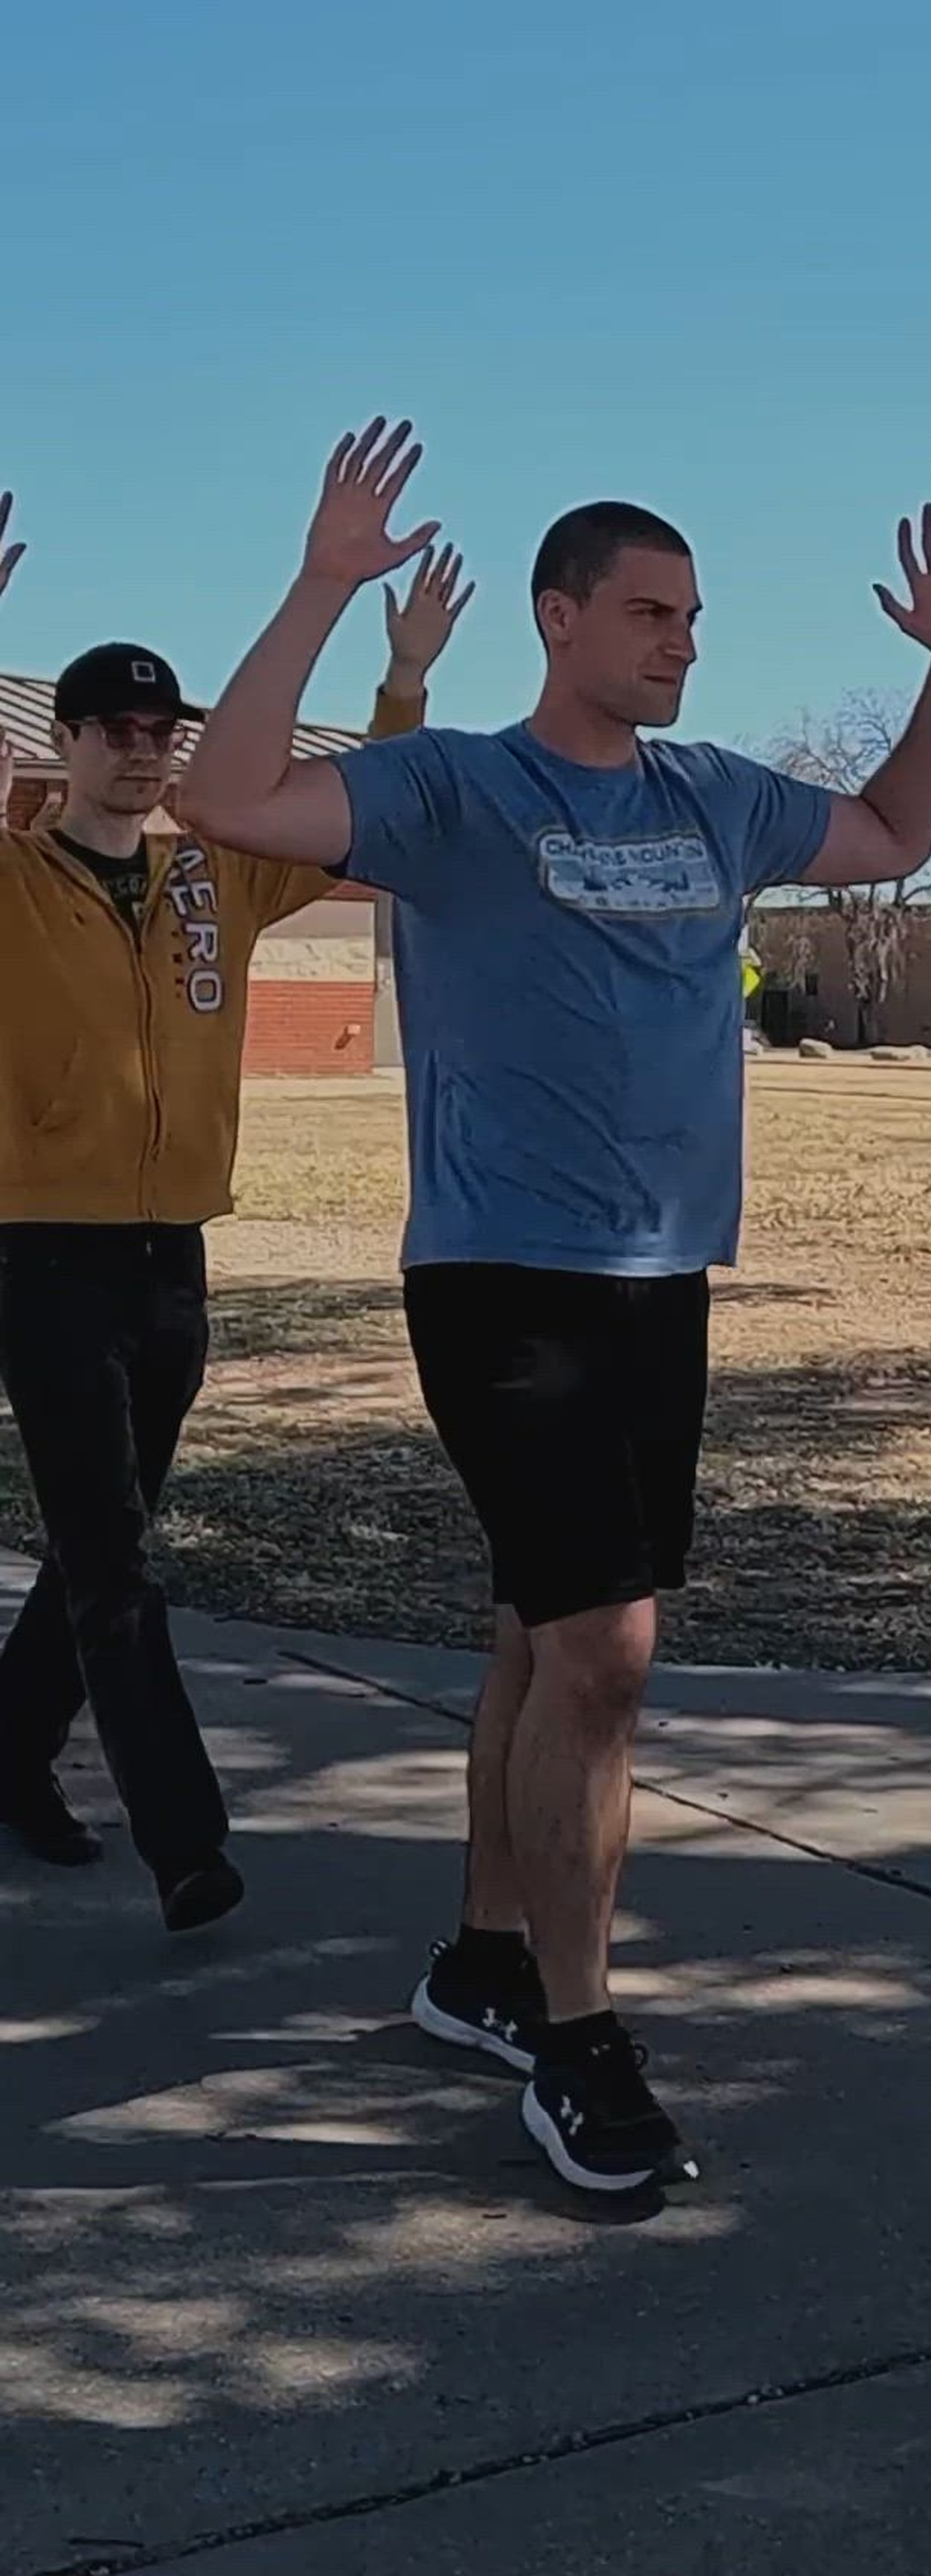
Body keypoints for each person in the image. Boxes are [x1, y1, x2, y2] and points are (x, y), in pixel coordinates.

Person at [180, 419, 931, 2190]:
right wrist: (322, 586)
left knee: (538, 1636)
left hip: (658, 1278)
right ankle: (577, 2036)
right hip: (501, 1275)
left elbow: (897, 831)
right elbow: (226, 800)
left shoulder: (716, 797)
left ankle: (485, 1956)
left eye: (690, 616)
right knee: (607, 1651)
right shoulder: (455, 789)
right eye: (647, 612)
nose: (680, 642)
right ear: (559, 619)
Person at [0, 494, 468, 1927]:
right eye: (115, 728)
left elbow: (357, 814)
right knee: (113, 1563)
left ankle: (9, 1754)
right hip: (40, 1254)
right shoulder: (12, 880)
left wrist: (403, 679)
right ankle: (186, 1844)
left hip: (172, 1258)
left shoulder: (214, 874)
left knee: (107, 1536)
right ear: (67, 742)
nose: (143, 750)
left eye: (162, 731)